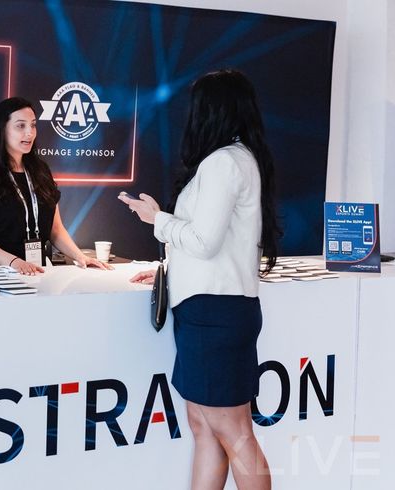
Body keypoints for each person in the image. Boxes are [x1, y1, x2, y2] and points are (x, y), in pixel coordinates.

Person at [119, 69, 280, 490]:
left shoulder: (224, 162)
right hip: (210, 310)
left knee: (234, 430)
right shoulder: (234, 160)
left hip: (215, 312)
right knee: (204, 424)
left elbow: (204, 242)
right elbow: (209, 242)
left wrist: (158, 220)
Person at [0, 97, 110, 274]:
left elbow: (56, 230)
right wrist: (15, 262)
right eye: (20, 126)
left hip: (34, 272)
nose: (29, 133)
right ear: (1, 130)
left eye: (33, 125)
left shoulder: (40, 170)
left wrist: (80, 257)